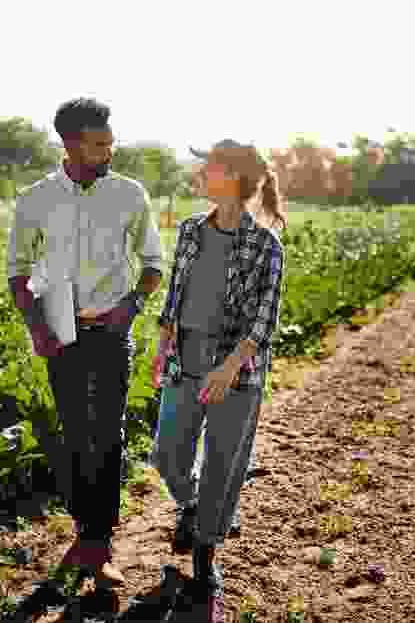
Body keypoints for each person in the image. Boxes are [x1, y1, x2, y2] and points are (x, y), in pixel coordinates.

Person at [6, 98, 165, 587]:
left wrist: (130, 307)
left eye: (110, 142)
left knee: (109, 434)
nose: (109, 150)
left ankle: (100, 541)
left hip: (112, 332)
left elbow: (153, 264)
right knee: (75, 434)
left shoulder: (130, 194)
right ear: (70, 144)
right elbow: (17, 271)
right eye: (99, 144)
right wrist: (38, 329)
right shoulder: (36, 199)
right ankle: (84, 532)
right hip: (62, 333)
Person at [151, 139, 286, 595]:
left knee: (224, 465)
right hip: (185, 359)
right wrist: (162, 342)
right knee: (167, 454)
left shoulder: (266, 245)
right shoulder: (191, 230)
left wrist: (229, 367)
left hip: (237, 369)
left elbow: (265, 319)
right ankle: (192, 507)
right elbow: (175, 291)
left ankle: (206, 553)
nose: (200, 172)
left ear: (232, 177)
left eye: (208, 166)